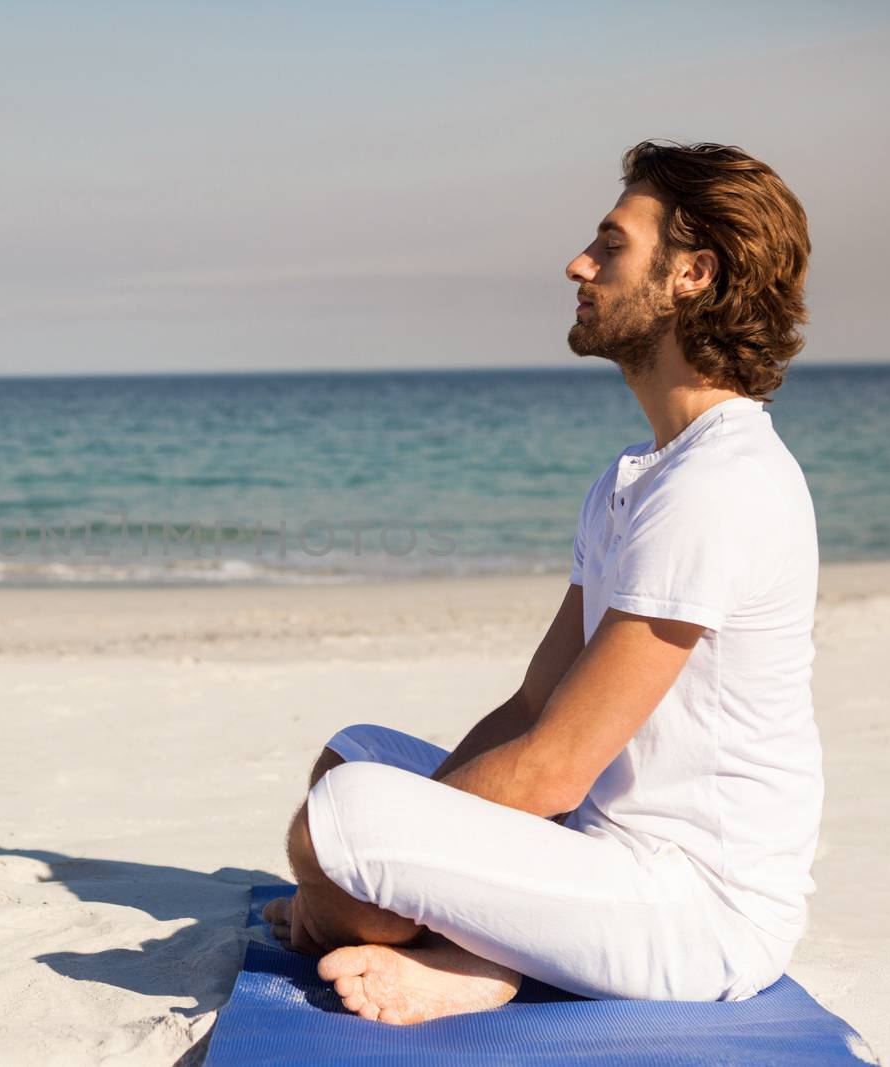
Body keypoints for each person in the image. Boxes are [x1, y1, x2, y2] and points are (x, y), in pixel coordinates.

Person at [262, 140, 822, 1025]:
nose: (579, 263)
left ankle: (487, 964)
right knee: (353, 757)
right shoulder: (635, 475)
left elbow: (555, 768)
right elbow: (533, 705)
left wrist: (386, 862)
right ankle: (465, 936)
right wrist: (417, 849)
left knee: (336, 829)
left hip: (694, 911)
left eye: (611, 245)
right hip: (598, 846)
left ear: (691, 275)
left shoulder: (720, 483)